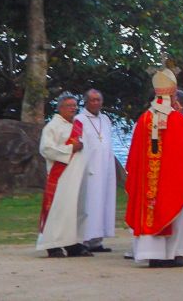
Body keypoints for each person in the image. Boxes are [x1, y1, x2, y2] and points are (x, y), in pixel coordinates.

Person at [125, 67, 183, 268]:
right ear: (173, 93)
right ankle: (173, 253)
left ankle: (153, 254)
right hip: (170, 178)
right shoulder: (176, 118)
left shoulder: (144, 119)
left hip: (149, 181)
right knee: (175, 209)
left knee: (151, 208)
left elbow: (134, 152)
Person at [37, 93, 91, 257]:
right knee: (59, 209)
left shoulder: (78, 125)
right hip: (61, 176)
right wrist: (69, 149)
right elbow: (46, 149)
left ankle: (73, 243)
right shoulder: (52, 127)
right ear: (60, 108)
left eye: (75, 106)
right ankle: (52, 244)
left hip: (78, 174)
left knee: (76, 209)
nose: (73, 109)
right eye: (69, 106)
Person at [75, 89, 116, 253]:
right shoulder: (79, 119)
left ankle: (97, 240)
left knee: (104, 202)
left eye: (98, 100)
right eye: (92, 100)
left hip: (105, 167)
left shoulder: (105, 119)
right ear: (86, 102)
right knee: (90, 204)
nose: (96, 103)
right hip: (90, 168)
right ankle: (85, 238)